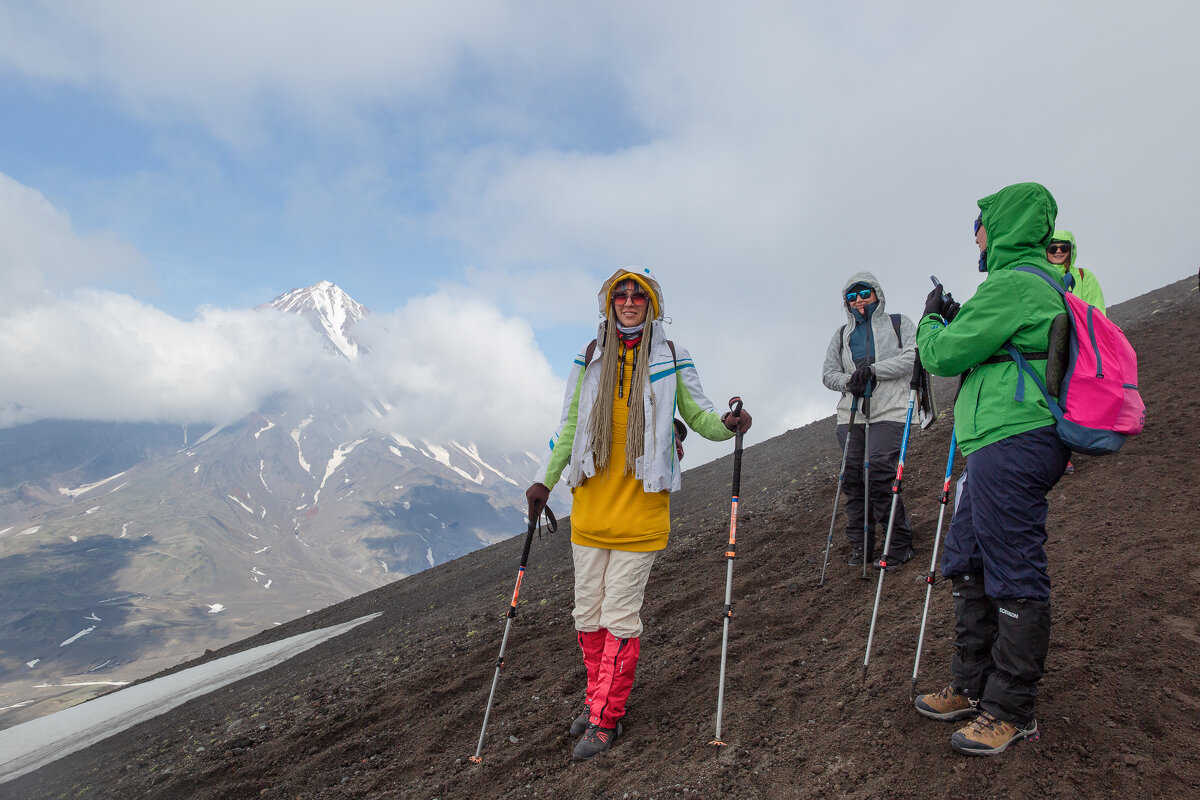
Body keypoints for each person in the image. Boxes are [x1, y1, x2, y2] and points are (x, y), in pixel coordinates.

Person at [525, 267, 751, 762]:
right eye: (621, 294)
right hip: (590, 509)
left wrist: (728, 424)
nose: (629, 300)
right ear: (609, 302)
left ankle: (605, 719)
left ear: (653, 303)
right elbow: (568, 426)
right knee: (588, 617)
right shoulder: (589, 357)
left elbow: (699, 414)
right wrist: (545, 479)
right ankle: (597, 698)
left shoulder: (671, 356)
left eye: (638, 295)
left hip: (643, 511)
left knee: (620, 618)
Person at [914, 182, 1071, 756]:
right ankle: (971, 684)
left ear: (1002, 226)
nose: (976, 236)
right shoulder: (1034, 284)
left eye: (979, 224)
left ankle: (1012, 708)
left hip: (1013, 438)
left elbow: (943, 355)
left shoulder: (1012, 284)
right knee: (971, 558)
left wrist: (932, 322)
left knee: (1012, 569)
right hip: (996, 440)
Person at [820, 273, 917, 569]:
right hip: (852, 413)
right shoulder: (841, 334)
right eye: (852, 297)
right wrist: (851, 381)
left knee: (878, 471)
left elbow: (913, 356)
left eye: (864, 293)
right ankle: (861, 546)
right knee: (852, 478)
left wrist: (873, 371)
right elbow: (828, 374)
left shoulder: (899, 323)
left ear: (877, 293)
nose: (859, 300)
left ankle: (898, 544)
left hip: (892, 410)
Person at [1045, 230, 1106, 313]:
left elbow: (1098, 310)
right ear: (1045, 250)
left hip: (1081, 324)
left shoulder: (1084, 276)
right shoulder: (1037, 276)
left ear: (1071, 250)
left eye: (1064, 248)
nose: (1058, 251)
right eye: (1052, 248)